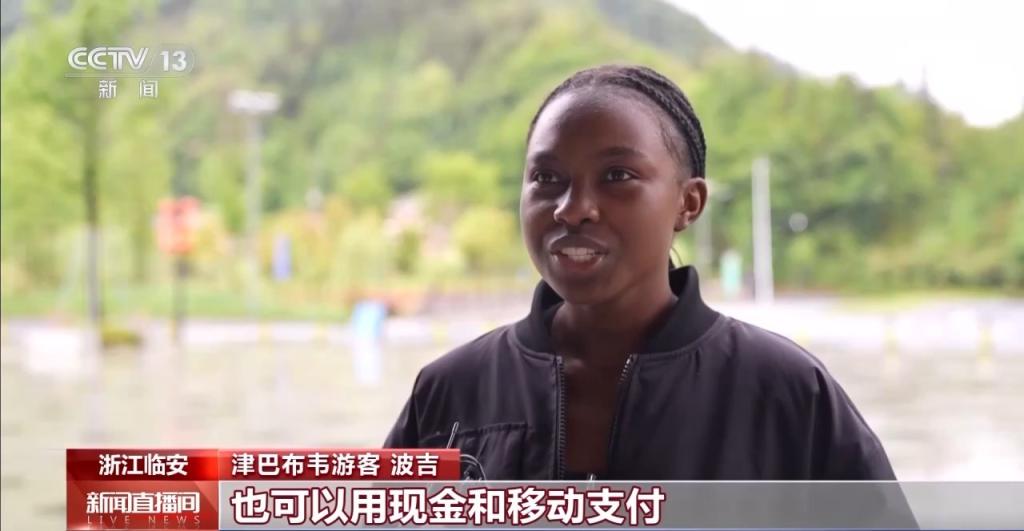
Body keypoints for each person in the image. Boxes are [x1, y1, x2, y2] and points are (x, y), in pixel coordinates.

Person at [383, 64, 896, 481]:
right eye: (546, 177)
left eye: (617, 176)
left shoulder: (788, 393)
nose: (572, 208)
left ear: (688, 203)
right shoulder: (451, 390)